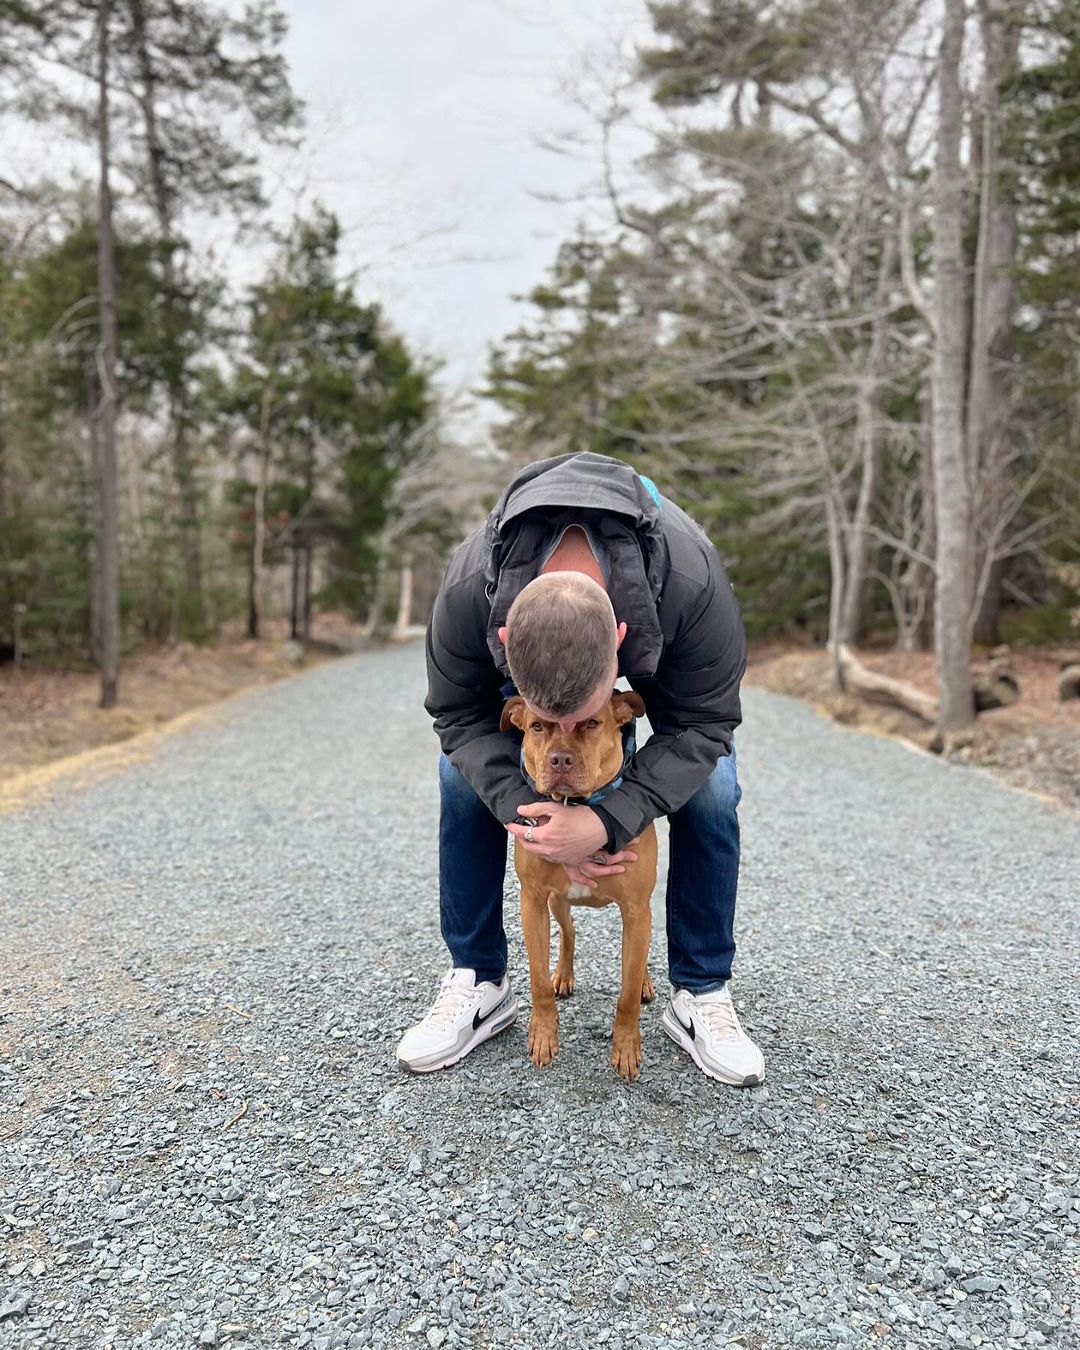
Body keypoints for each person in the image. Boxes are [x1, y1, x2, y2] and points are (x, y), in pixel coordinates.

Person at [396, 451, 764, 1086]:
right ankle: (479, 978)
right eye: (543, 718)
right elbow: (458, 717)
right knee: (458, 774)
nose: (562, 739)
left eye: (586, 716)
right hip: (526, 648)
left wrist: (610, 820)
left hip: (665, 635)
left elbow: (705, 725)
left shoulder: (692, 580)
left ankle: (700, 988)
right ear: (505, 643)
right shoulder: (467, 590)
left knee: (714, 785)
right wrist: (538, 824)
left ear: (620, 644)